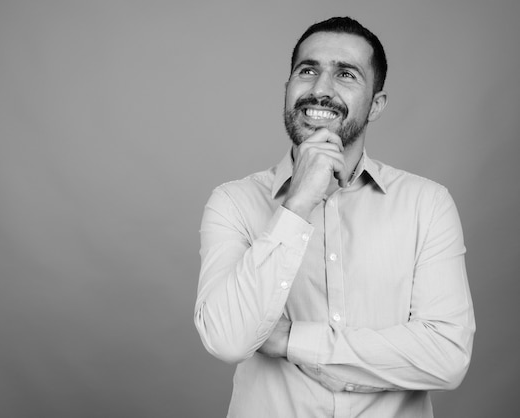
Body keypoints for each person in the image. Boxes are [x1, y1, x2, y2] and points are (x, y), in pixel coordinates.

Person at [194, 16, 475, 417]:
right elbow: (227, 340)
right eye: (307, 71)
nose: (320, 89)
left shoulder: (427, 204)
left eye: (346, 75)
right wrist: (297, 204)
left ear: (376, 104)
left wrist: (292, 340)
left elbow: (447, 357)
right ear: (288, 88)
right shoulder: (233, 203)